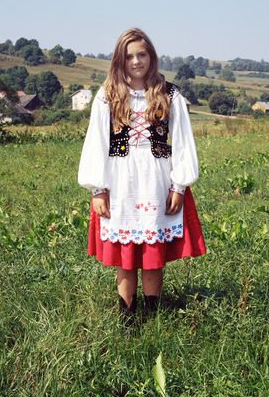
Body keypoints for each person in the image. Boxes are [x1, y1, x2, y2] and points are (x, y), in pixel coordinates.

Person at [78, 28, 206, 325]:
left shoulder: (169, 94)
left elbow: (183, 141)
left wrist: (179, 186)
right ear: (119, 60)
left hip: (157, 180)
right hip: (119, 182)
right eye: (129, 56)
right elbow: (96, 141)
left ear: (151, 56)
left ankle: (152, 317)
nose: (136, 61)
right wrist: (98, 189)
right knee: (125, 256)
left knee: (152, 252)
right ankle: (127, 319)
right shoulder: (108, 94)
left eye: (142, 54)